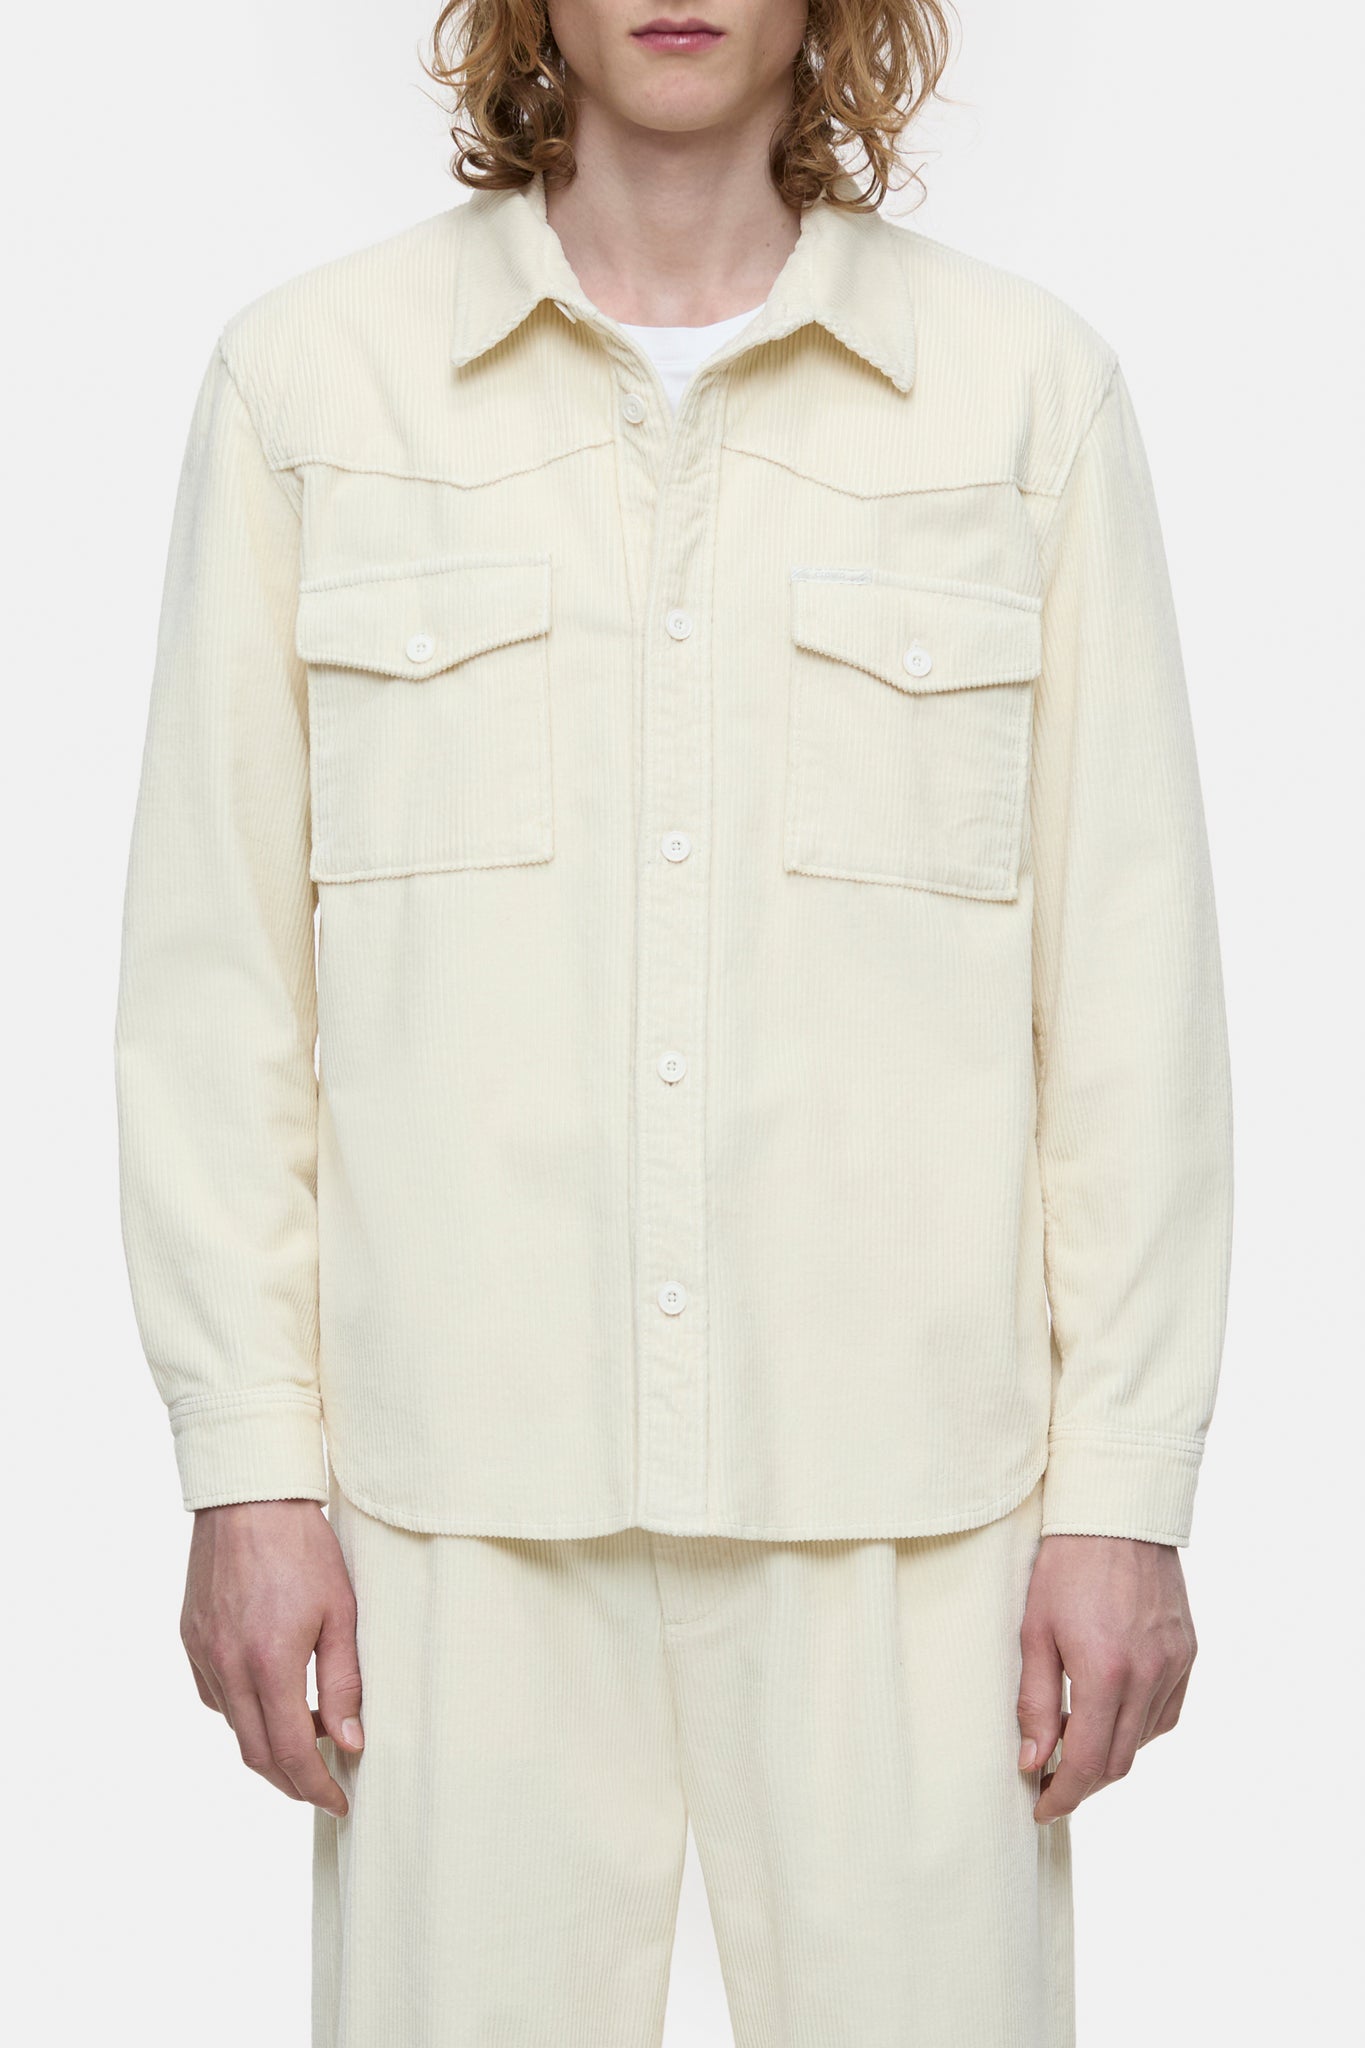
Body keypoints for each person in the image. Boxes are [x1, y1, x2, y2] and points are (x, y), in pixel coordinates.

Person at [114, 1, 1234, 2041]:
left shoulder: (1020, 399)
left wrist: (1122, 1492)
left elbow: (1127, 996)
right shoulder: (310, 388)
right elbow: (216, 985)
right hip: (454, 1502)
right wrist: (246, 1468)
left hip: (913, 1508)